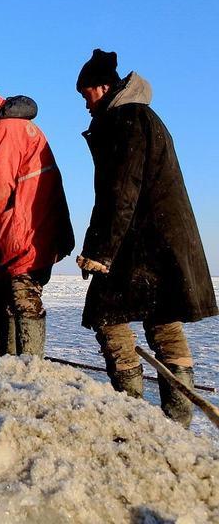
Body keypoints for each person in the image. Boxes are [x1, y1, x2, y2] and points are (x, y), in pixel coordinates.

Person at [75, 49, 218, 427]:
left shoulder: (126, 119)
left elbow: (121, 190)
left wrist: (100, 251)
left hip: (139, 244)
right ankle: (177, 424)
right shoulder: (143, 117)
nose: (85, 103)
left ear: (102, 87)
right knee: (163, 319)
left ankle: (133, 416)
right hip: (161, 243)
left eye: (85, 93)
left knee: (107, 317)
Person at [0, 78, 74, 358]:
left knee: (23, 296)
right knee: (1, 299)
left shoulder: (5, 130)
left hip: (28, 229)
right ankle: (10, 368)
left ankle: (29, 372)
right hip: (18, 228)